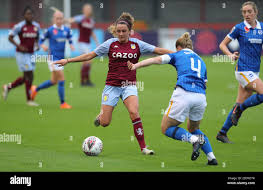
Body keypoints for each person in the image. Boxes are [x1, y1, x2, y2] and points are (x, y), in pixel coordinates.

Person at [54, 12, 174, 155]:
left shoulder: (137, 45)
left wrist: (180, 53)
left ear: (130, 32)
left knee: (134, 112)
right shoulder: (110, 44)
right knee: (105, 123)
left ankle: (144, 148)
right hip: (112, 86)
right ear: (115, 32)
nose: (121, 34)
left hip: (129, 85)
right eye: (118, 31)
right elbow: (90, 55)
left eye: (124, 31)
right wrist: (68, 61)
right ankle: (101, 116)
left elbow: (158, 50)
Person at [127, 32, 218, 165]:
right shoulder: (201, 60)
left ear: (178, 47)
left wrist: (136, 66)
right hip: (200, 97)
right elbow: (205, 84)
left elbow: (155, 60)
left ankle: (194, 140)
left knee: (166, 128)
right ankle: (211, 158)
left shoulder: (177, 54)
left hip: (183, 94)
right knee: (194, 128)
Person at [217, 1, 263, 143]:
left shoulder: (262, 27)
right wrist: (230, 55)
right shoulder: (239, 28)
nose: (246, 14)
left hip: (254, 71)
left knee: (239, 103)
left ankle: (222, 133)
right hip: (243, 70)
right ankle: (240, 109)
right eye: (244, 12)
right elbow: (222, 44)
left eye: (249, 11)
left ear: (256, 12)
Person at [31, 11, 74, 109]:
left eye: (61, 18)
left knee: (53, 81)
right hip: (53, 58)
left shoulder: (66, 30)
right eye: (57, 18)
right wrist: (43, 46)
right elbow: (40, 39)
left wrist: (71, 44)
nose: (59, 20)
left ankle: (35, 89)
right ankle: (63, 103)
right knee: (62, 79)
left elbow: (69, 37)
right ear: (54, 19)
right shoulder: (50, 30)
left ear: (63, 19)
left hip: (61, 58)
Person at [2, 6, 40, 106]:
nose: (30, 16)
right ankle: (29, 100)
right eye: (27, 14)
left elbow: (37, 37)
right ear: (24, 16)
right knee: (29, 74)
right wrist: (19, 45)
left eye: (31, 14)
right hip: (21, 54)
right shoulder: (19, 26)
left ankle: (8, 87)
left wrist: (37, 45)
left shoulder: (36, 26)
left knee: (26, 78)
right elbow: (10, 37)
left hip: (31, 54)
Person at [67, 3, 99, 86]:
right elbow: (71, 20)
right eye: (87, 9)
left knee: (86, 62)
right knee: (89, 60)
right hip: (81, 43)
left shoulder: (91, 21)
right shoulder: (81, 18)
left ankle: (83, 81)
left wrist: (96, 42)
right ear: (84, 10)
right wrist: (66, 20)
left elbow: (91, 32)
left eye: (90, 9)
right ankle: (86, 81)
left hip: (87, 43)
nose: (89, 10)